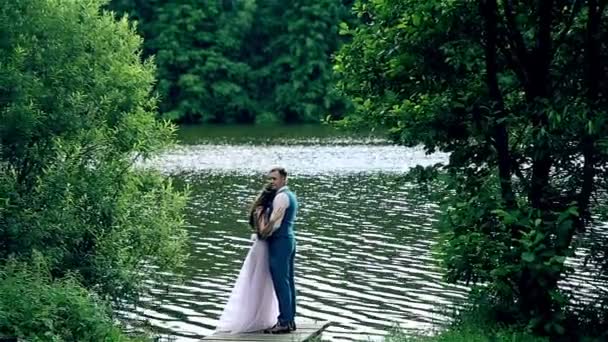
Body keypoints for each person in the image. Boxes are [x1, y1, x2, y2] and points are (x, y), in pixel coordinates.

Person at [214, 184, 279, 334]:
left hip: (260, 248)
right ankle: (254, 317)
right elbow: (262, 232)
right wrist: (274, 220)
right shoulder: (262, 210)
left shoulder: (259, 209)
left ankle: (261, 315)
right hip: (262, 249)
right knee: (258, 281)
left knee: (259, 282)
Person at [259, 167, 298, 334]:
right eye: (270, 179)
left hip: (280, 242)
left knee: (281, 283)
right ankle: (289, 320)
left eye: (274, 179)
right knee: (288, 282)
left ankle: (284, 322)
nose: (271, 182)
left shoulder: (281, 197)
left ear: (283, 179)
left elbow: (274, 226)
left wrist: (263, 232)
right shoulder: (291, 195)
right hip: (288, 240)